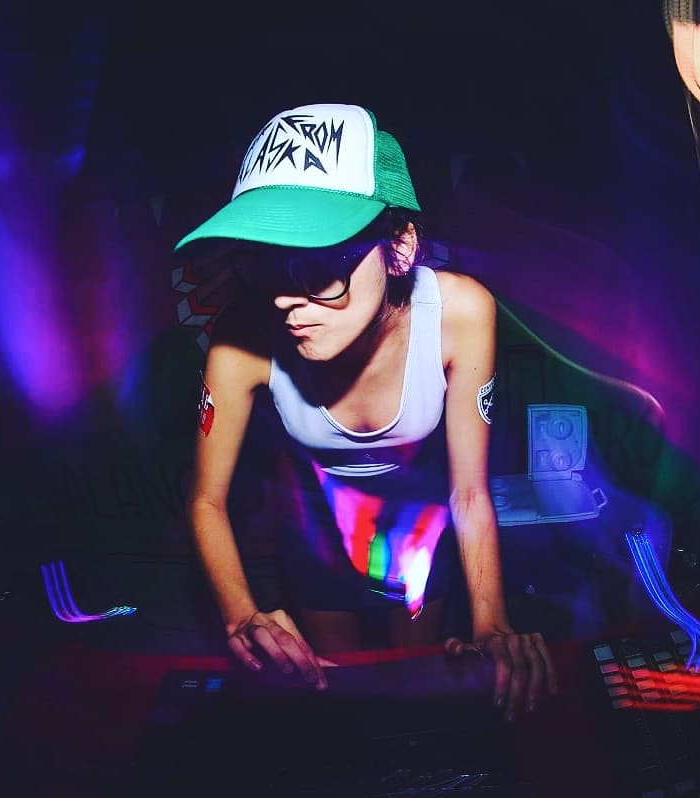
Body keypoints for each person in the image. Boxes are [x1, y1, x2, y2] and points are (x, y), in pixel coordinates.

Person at [175, 103, 557, 722]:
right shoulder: (240, 339)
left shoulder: (459, 315)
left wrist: (492, 624)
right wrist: (241, 615)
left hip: (417, 524)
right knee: (340, 702)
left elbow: (468, 493)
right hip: (314, 528)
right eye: (264, 263)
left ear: (399, 246)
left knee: (420, 694)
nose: (284, 298)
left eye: (317, 264)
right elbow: (205, 500)